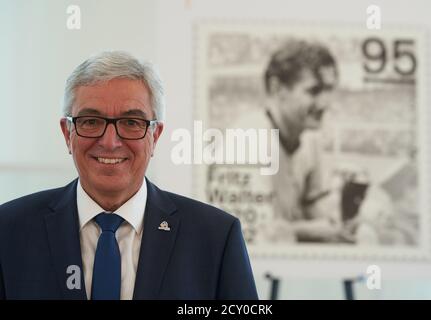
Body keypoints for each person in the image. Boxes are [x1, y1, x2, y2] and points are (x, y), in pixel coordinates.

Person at [0, 51, 258, 300]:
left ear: (154, 136)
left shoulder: (215, 237)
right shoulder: (8, 230)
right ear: (68, 134)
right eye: (91, 121)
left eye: (131, 123)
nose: (110, 142)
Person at [230, 40, 345, 243]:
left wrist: (338, 220)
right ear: (277, 88)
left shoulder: (310, 136)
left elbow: (315, 207)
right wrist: (316, 230)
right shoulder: (248, 136)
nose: (325, 103)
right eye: (314, 91)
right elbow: (257, 233)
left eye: (328, 91)